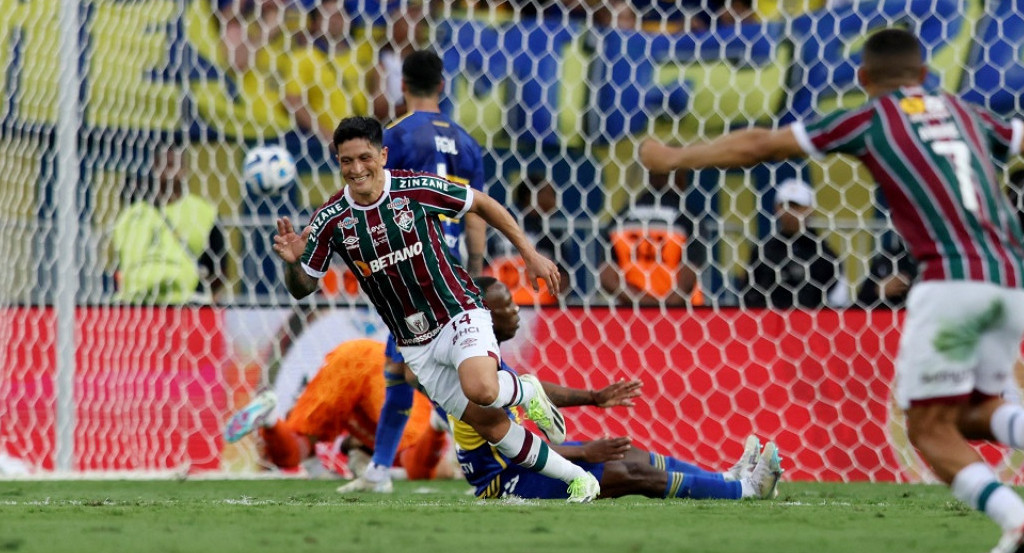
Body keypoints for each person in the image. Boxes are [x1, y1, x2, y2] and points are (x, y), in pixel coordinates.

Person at [639, 28, 1024, 552]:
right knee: (975, 412)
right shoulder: (970, 114)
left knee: (929, 431)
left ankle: (1015, 519)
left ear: (862, 79)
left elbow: (760, 145)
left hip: (951, 279)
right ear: (927, 76)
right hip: (1009, 276)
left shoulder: (870, 118)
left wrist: (675, 158)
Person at [273, 116, 601, 502]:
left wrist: (528, 253)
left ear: (382, 155)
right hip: (415, 344)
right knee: (491, 426)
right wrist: (293, 262)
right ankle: (579, 479)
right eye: (346, 161)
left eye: (364, 157)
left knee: (481, 388)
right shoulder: (330, 219)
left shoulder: (413, 188)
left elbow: (480, 203)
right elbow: (303, 288)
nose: (357, 169)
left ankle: (525, 390)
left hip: (458, 311)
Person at [452, 277, 784, 501]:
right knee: (623, 473)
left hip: (520, 460)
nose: (516, 312)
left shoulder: (482, 357)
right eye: (507, 307)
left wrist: (593, 398)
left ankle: (727, 478)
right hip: (503, 481)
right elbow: (514, 447)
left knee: (631, 454)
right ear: (485, 320)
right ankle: (746, 491)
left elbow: (534, 389)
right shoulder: (473, 383)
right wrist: (583, 452)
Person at [337, 50, 491, 495]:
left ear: (401, 85)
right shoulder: (467, 142)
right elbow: (476, 213)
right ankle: (380, 469)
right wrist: (475, 271)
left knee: (416, 372)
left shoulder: (397, 136)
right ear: (443, 86)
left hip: (414, 268)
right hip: (452, 267)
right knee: (401, 368)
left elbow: (371, 191)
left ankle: (496, 450)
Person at [222, 339, 449, 483]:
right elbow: (427, 469)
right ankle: (437, 423)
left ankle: (271, 419)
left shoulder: (366, 428)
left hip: (348, 354)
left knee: (296, 445)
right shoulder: (386, 441)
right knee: (416, 465)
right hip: (382, 370)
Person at [111, 141, 226, 304]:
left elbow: (219, 267)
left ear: (185, 169)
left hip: (185, 304)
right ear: (154, 168)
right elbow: (118, 260)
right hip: (135, 304)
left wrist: (206, 298)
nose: (169, 170)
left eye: (174, 164)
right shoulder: (132, 214)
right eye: (163, 164)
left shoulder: (203, 212)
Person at [598, 170, 704, 307]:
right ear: (680, 178)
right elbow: (689, 274)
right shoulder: (688, 218)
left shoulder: (622, 216)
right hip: (681, 314)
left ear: (648, 177)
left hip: (632, 313)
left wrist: (643, 303)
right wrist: (665, 305)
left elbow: (607, 277)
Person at [739, 178, 848, 309]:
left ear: (810, 209)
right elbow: (748, 294)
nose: (789, 212)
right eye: (784, 206)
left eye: (796, 206)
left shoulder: (825, 255)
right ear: (776, 208)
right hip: (768, 324)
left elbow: (838, 301)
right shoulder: (763, 251)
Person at [486, 173, 570, 305]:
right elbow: (484, 267)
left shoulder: (552, 235)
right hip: (500, 302)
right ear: (530, 194)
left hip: (539, 304)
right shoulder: (500, 228)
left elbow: (563, 277)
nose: (555, 200)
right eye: (550, 193)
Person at [855, 231, 918, 308]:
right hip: (885, 314)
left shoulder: (930, 261)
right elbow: (860, 303)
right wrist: (880, 290)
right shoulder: (888, 258)